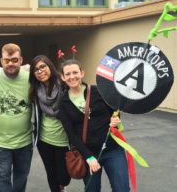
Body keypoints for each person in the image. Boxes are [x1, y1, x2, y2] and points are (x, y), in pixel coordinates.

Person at [57, 59, 130, 192]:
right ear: (62, 77)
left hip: (112, 149)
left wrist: (116, 120)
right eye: (67, 74)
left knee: (122, 189)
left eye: (75, 72)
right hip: (89, 154)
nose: (72, 76)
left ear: (82, 73)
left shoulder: (98, 91)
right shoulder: (63, 103)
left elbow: (114, 111)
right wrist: (89, 157)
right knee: (92, 189)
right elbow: (72, 135)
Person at [0, 43, 33, 192]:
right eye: (7, 60)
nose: (11, 64)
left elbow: (51, 78)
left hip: (25, 142)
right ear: (1, 61)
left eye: (14, 60)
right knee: (2, 175)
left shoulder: (31, 77)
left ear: (21, 60)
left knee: (21, 176)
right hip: (1, 143)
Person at [28, 55, 71, 192]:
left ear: (50, 66)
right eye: (36, 69)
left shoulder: (65, 86)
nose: (40, 71)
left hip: (64, 140)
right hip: (44, 140)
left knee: (64, 177)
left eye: (43, 67)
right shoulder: (35, 90)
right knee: (52, 175)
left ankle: (62, 186)